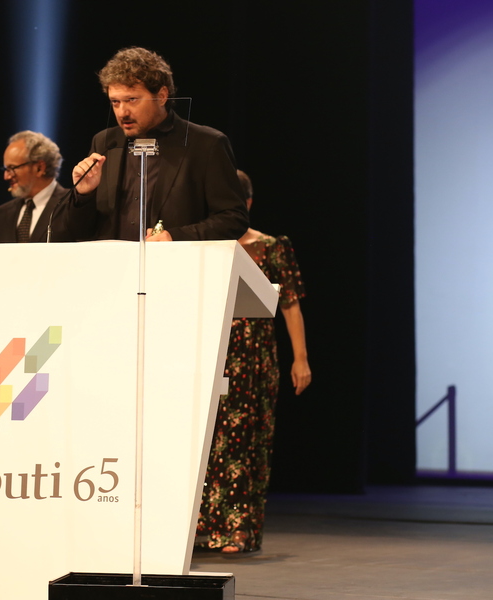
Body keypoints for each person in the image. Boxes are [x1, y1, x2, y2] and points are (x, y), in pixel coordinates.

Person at [197, 169, 312, 554]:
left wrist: (301, 359)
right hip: (209, 350)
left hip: (253, 357)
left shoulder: (271, 246)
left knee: (244, 440)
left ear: (246, 203)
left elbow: (290, 305)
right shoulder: (206, 245)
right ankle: (205, 524)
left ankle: (239, 529)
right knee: (207, 441)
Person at [64, 47, 249, 242]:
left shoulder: (207, 144)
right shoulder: (104, 142)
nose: (122, 112)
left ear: (162, 96)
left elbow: (233, 219)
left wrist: (175, 237)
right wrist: (83, 195)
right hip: (113, 269)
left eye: (132, 100)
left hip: (174, 268)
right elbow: (77, 230)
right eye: (115, 102)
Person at [0, 130, 71, 243]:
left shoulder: (71, 205)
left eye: (12, 168)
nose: (6, 176)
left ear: (40, 168)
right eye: (6, 169)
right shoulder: (2, 214)